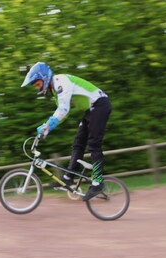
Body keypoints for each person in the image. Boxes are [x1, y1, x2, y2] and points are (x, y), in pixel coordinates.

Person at [21, 62, 112, 201]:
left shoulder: (60, 81)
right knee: (78, 143)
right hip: (91, 110)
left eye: (37, 83)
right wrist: (48, 127)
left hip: (100, 105)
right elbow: (63, 114)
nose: (37, 88)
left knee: (94, 145)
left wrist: (48, 125)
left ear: (44, 78)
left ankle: (98, 182)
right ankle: (68, 178)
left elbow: (63, 110)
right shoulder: (55, 91)